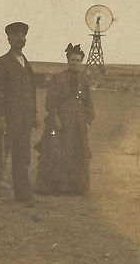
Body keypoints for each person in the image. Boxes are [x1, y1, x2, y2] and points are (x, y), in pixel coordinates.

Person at [0, 21, 40, 205]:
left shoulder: (26, 63)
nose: (20, 38)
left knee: (23, 156)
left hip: (25, 119)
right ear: (9, 39)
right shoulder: (1, 63)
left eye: (23, 35)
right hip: (7, 119)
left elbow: (31, 92)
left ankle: (23, 194)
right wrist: (0, 118)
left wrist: (34, 115)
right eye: (16, 35)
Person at [34, 43, 95, 195]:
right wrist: (55, 117)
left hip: (78, 119)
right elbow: (51, 100)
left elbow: (89, 101)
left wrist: (87, 118)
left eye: (78, 60)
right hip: (61, 118)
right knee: (57, 149)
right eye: (72, 60)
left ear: (81, 62)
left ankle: (74, 186)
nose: (75, 63)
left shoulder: (84, 79)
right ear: (68, 61)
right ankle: (55, 185)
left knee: (76, 150)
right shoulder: (59, 77)